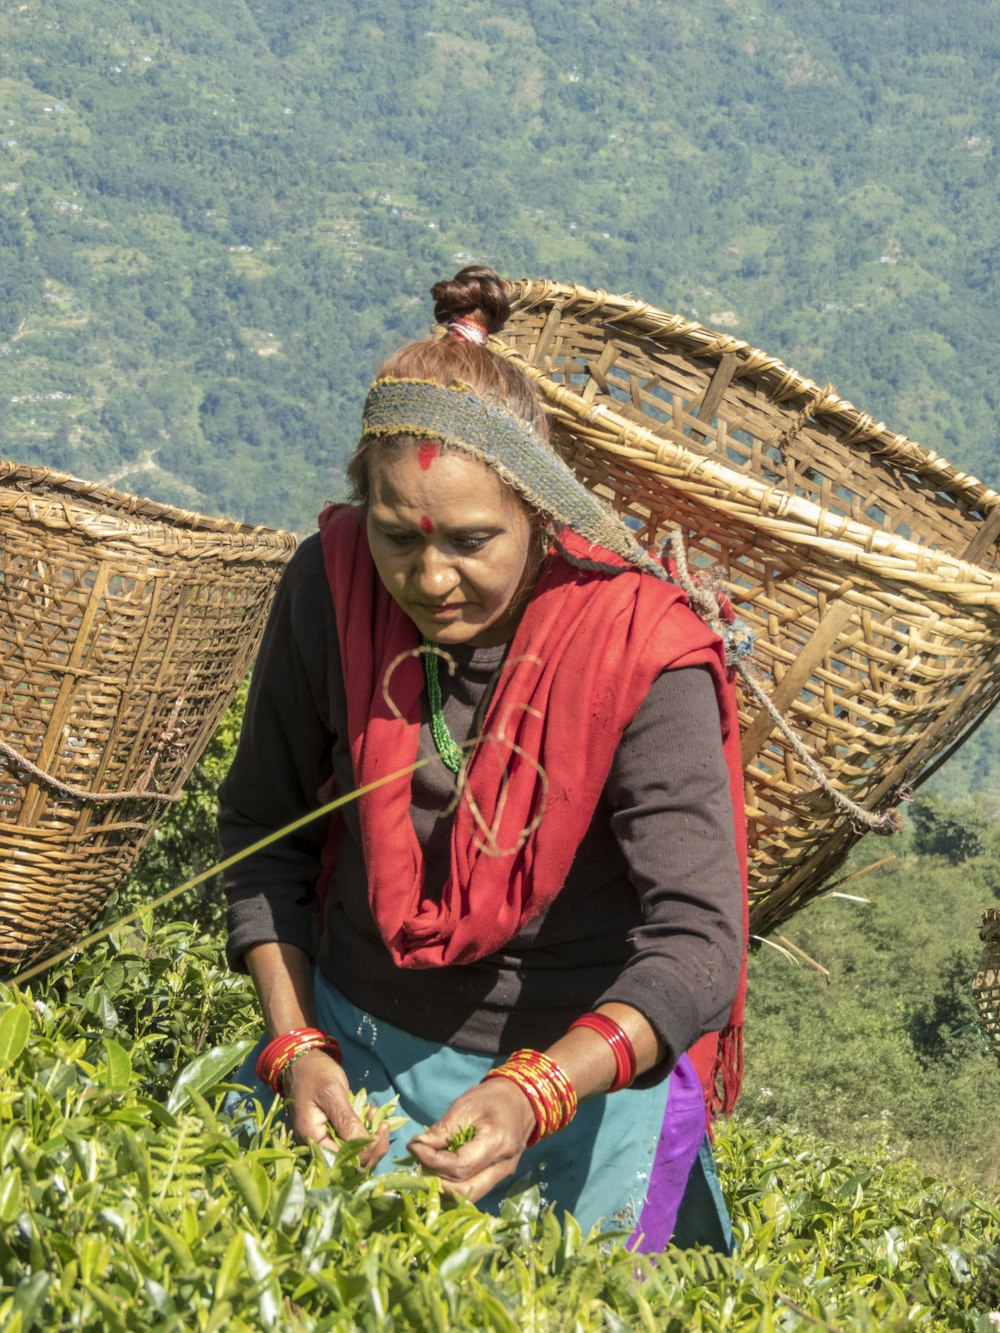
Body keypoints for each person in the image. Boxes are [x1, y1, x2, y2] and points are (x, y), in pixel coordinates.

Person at [219, 266, 747, 1253]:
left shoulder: (639, 651)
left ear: (541, 514)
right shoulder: (329, 590)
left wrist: (534, 1088)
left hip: (576, 1090)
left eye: (472, 541)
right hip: (351, 1066)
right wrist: (295, 1046)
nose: (428, 578)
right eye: (396, 539)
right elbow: (263, 834)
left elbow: (697, 944)